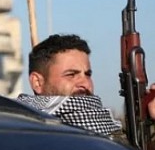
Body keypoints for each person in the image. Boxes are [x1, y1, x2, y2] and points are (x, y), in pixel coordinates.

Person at [17, 33, 155, 140]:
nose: (85, 83)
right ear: (37, 82)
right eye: (71, 74)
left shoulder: (114, 138)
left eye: (87, 74)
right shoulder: (19, 134)